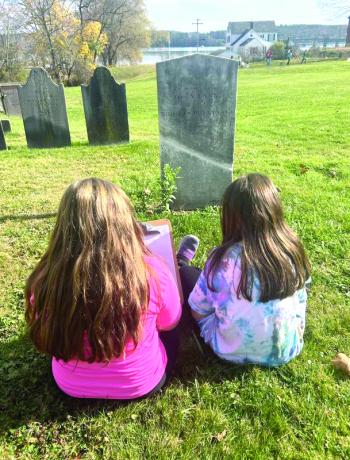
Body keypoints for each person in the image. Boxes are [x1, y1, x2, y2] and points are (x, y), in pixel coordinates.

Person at [25, 178, 182, 400]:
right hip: (140, 383)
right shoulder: (153, 272)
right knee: (172, 330)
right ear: (125, 223)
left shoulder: (46, 278)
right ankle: (181, 261)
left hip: (70, 386)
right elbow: (170, 322)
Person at [182, 174, 311, 367]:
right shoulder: (292, 249)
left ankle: (181, 263)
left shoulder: (222, 259)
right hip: (285, 349)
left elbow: (198, 310)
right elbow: (303, 293)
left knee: (186, 276)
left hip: (229, 351)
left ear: (230, 217)